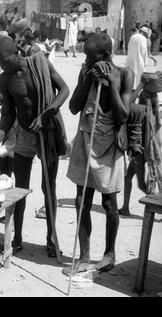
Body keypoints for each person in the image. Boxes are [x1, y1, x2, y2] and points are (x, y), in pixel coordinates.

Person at [0, 37, 70, 258]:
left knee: (48, 187)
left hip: (47, 133)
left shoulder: (40, 63)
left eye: (6, 61)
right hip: (24, 134)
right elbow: (7, 114)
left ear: (16, 51)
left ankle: (51, 238)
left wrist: (47, 114)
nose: (3, 66)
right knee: (19, 190)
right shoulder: (4, 80)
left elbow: (64, 90)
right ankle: (16, 239)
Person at [65, 33, 133, 274]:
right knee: (82, 200)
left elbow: (123, 115)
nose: (87, 61)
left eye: (90, 58)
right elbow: (73, 108)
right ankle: (84, 256)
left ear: (105, 56)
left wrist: (109, 84)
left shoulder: (124, 74)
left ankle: (109, 254)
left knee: (109, 203)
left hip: (109, 146)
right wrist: (86, 79)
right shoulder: (87, 73)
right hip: (85, 139)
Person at [120, 82, 161, 216]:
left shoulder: (140, 111)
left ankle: (158, 204)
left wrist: (140, 86)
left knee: (141, 185)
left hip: (139, 152)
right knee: (127, 178)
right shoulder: (154, 115)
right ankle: (125, 207)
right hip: (147, 151)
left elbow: (128, 103)